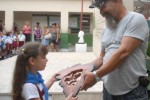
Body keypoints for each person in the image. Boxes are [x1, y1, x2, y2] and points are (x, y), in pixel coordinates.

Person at [81, 0, 149, 100]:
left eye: (101, 5)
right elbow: (102, 58)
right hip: (108, 91)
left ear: (116, 1)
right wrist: (88, 67)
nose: (101, 12)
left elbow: (123, 53)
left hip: (132, 93)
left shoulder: (135, 19)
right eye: (98, 8)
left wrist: (96, 76)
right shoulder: (106, 29)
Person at [11, 42, 77, 100]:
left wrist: (52, 80)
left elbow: (41, 91)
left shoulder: (35, 77)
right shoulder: (29, 86)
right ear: (32, 61)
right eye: (43, 57)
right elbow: (36, 91)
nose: (47, 60)